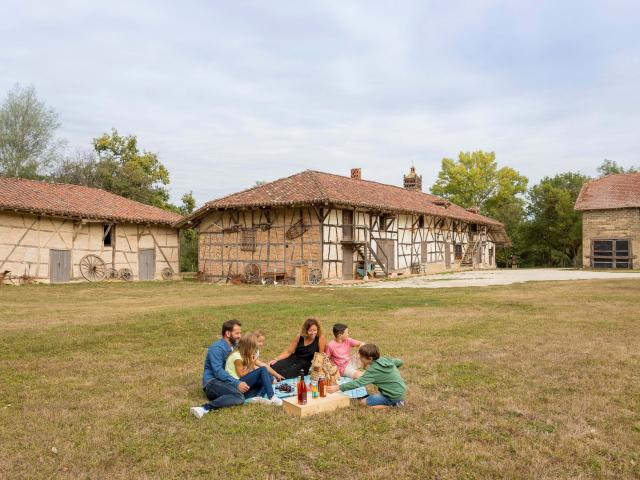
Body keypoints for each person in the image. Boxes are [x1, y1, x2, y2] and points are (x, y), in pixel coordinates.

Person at [190, 319, 249, 419]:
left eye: (240, 333)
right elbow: (218, 372)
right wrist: (236, 383)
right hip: (213, 383)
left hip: (228, 380)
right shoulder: (216, 348)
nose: (240, 336)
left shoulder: (235, 346)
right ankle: (204, 408)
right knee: (239, 397)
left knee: (251, 384)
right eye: (237, 333)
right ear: (227, 333)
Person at [326, 344, 406, 409]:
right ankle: (397, 401)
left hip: (392, 396)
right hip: (401, 392)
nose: (359, 358)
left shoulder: (373, 371)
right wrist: (389, 374)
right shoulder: (384, 359)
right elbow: (400, 362)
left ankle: (393, 405)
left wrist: (337, 388)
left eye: (361, 357)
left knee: (363, 403)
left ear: (370, 358)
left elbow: (358, 383)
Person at [225, 333, 282, 406]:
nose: (255, 349)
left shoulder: (245, 353)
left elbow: (262, 365)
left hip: (244, 383)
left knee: (269, 377)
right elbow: (241, 375)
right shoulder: (237, 357)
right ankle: (272, 397)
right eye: (254, 347)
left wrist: (276, 375)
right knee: (262, 370)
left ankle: (257, 397)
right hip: (236, 384)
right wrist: (252, 364)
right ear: (248, 347)